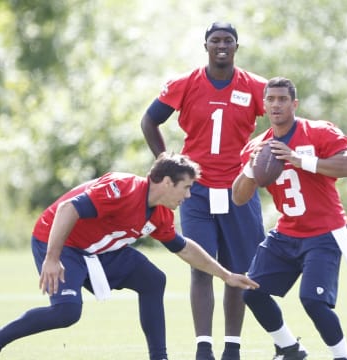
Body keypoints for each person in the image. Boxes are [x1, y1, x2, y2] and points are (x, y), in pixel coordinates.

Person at [0, 152, 259, 360]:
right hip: (61, 243)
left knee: (153, 280)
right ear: (167, 182)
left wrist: (226, 275)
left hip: (99, 249)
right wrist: (52, 258)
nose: (188, 195)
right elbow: (68, 210)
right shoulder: (122, 188)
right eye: (186, 187)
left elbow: (183, 248)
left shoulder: (160, 215)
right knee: (67, 312)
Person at [140, 21, 267, 360]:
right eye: (215, 40)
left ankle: (233, 348)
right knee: (202, 267)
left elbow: (284, 123)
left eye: (228, 40)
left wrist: (264, 158)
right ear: (206, 45)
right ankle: (203, 347)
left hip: (239, 188)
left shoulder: (256, 86)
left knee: (238, 269)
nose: (221, 45)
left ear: (237, 47)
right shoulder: (185, 84)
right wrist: (166, 159)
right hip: (196, 191)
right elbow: (149, 120)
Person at [231, 77, 347, 360]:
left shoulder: (318, 132)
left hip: (324, 232)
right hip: (287, 233)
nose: (276, 105)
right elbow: (239, 198)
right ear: (264, 105)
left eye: (282, 99)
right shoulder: (256, 147)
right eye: (271, 100)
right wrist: (252, 170)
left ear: (294, 104)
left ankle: (343, 357)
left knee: (313, 301)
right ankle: (290, 348)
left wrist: (302, 161)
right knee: (251, 291)